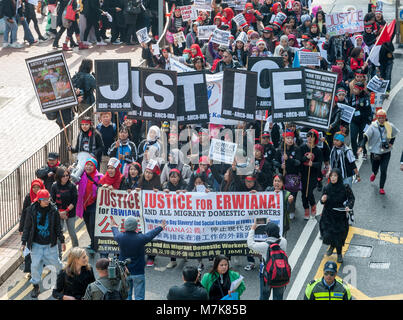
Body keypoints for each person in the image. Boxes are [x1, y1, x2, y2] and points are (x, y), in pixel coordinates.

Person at [21, 189, 65, 298]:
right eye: (45, 199)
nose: (48, 201)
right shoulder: (31, 210)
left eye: (48, 198)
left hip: (50, 244)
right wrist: (23, 242)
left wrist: (62, 240)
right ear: (39, 200)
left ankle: (63, 282)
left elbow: (58, 227)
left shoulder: (54, 210)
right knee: (35, 266)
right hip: (36, 244)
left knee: (57, 264)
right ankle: (36, 286)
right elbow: (27, 227)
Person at [110, 215, 166, 300]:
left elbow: (115, 232)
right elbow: (151, 234)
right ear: (136, 227)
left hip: (124, 272)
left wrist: (113, 226)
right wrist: (160, 227)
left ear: (124, 226)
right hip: (138, 272)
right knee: (139, 297)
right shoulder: (141, 238)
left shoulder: (120, 238)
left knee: (126, 296)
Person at [358, 109, 399, 195]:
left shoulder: (389, 126)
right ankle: (374, 173)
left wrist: (391, 143)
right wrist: (361, 147)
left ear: (385, 118)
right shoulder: (372, 126)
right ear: (377, 118)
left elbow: (394, 135)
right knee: (375, 167)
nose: (381, 119)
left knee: (384, 170)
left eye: (383, 118)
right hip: (375, 151)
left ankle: (381, 187)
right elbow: (365, 137)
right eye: (379, 118)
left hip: (386, 152)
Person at [319, 169, 355, 263]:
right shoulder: (326, 187)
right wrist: (323, 199)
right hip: (328, 215)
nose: (333, 178)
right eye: (332, 176)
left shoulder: (345, 187)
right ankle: (332, 245)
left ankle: (339, 254)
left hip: (340, 215)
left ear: (338, 177)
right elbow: (322, 200)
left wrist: (348, 206)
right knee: (328, 234)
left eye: (335, 176)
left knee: (339, 235)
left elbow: (351, 198)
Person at [247, 221, 288, 300]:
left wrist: (252, 229)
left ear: (266, 233)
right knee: (278, 297)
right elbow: (279, 237)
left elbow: (250, 244)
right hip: (281, 274)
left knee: (264, 297)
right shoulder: (283, 241)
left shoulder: (264, 246)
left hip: (266, 275)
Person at [76, 157, 103, 253]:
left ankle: (94, 245)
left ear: (95, 166)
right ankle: (93, 242)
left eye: (91, 165)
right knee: (87, 224)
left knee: (92, 225)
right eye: (87, 164)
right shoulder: (81, 175)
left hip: (94, 204)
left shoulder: (100, 176)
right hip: (84, 205)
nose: (88, 167)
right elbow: (73, 180)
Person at [19, 179, 46, 276]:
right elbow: (24, 213)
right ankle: (30, 270)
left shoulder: (45, 197)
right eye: (33, 187)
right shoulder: (28, 197)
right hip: (30, 227)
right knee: (29, 249)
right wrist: (21, 228)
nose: (35, 189)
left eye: (37, 187)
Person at [50, 166, 79, 248]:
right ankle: (59, 253)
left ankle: (76, 250)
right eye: (63, 176)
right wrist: (59, 213)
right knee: (59, 233)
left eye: (67, 175)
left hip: (70, 212)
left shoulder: (72, 186)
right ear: (59, 177)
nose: (66, 177)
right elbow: (52, 201)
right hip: (58, 212)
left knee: (72, 232)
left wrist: (65, 211)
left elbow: (74, 201)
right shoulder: (54, 186)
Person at [300, 129, 323, 220]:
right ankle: (306, 209)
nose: (309, 138)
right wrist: (305, 158)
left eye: (312, 136)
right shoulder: (302, 148)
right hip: (303, 174)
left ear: (315, 138)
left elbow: (319, 164)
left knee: (309, 192)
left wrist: (312, 164)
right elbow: (299, 159)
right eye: (308, 136)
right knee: (303, 193)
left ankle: (313, 205)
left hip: (313, 175)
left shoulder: (318, 151)